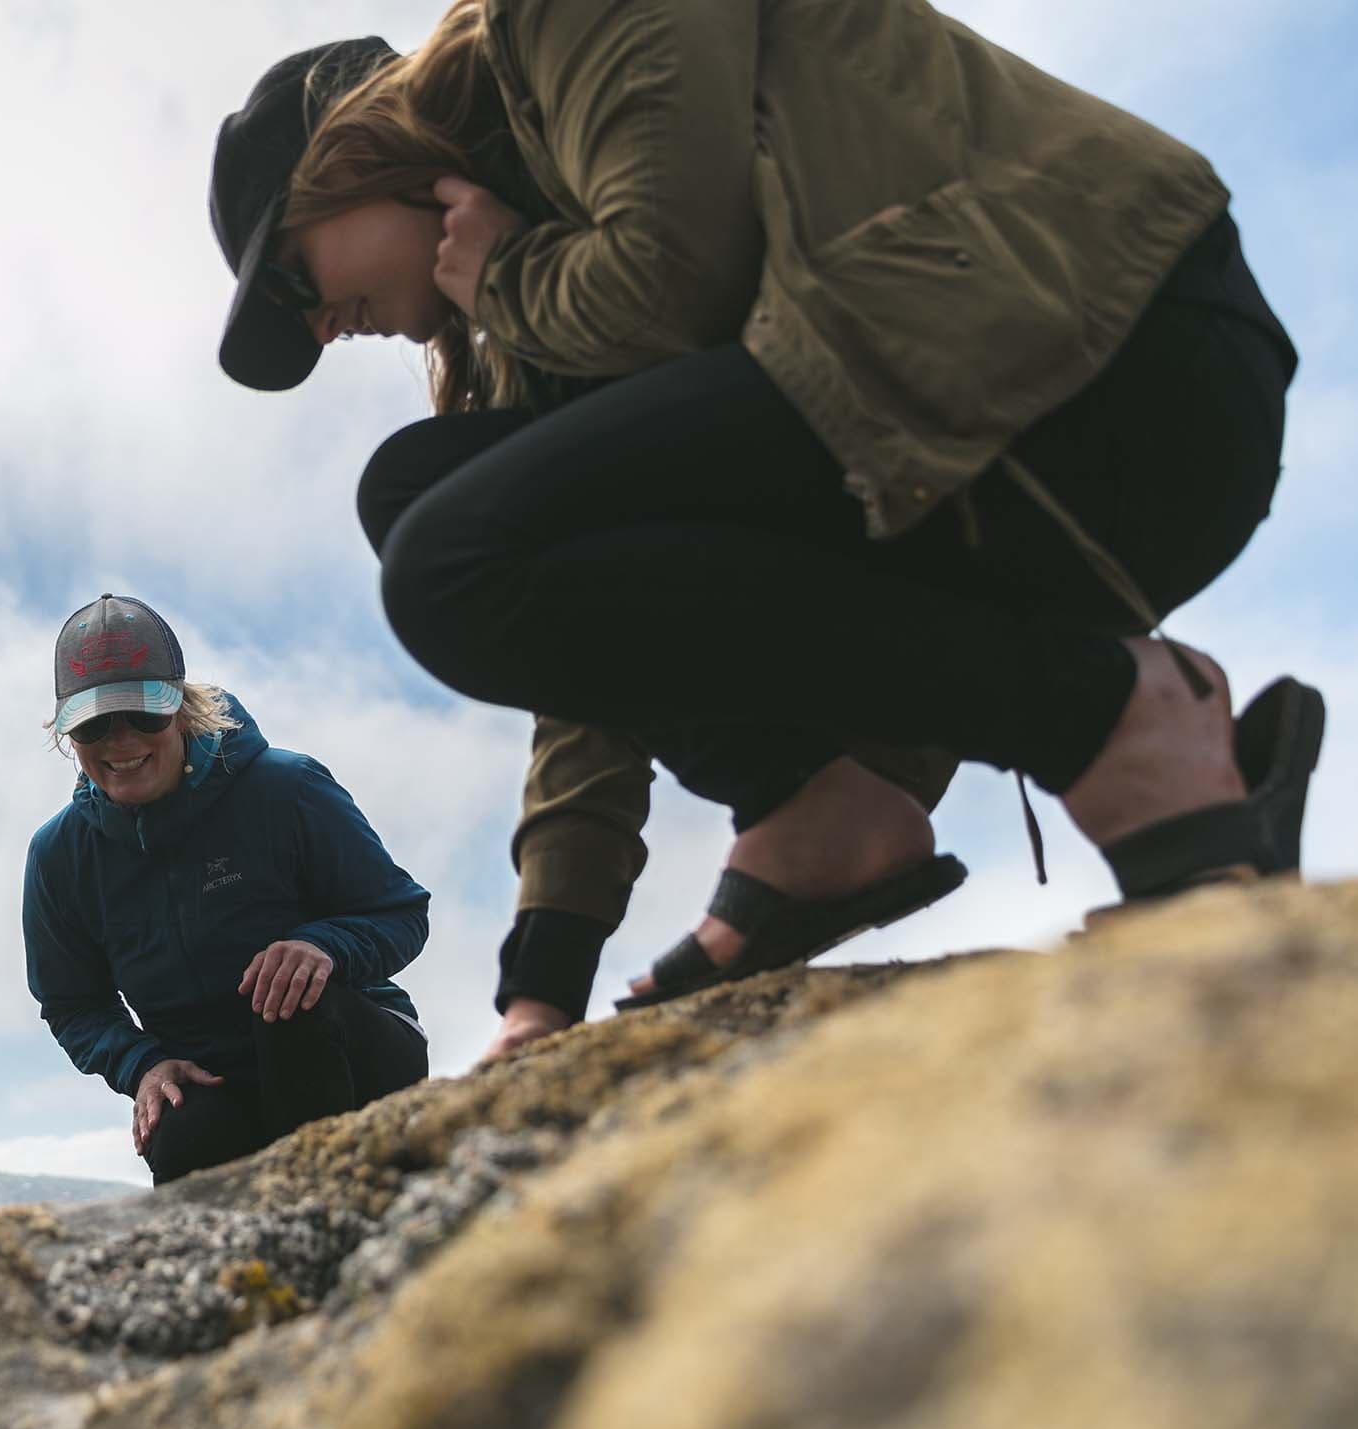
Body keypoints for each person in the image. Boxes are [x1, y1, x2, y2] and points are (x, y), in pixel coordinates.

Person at [208, 10, 1320, 1062]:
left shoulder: (547, 28)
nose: (318, 326)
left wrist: (504, 274)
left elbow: (673, 269)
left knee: (448, 537)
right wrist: (544, 981)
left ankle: (1103, 720)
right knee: (428, 501)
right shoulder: (536, 307)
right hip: (976, 475)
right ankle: (817, 812)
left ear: (350, 153)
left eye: (296, 278)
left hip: (1124, 365)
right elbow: (589, 633)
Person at [23, 594, 431, 1185]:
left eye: (145, 714)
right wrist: (143, 1066)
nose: (120, 741)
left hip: (349, 1048)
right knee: (180, 1126)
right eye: (94, 724)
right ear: (67, 734)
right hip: (214, 1080)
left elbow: (401, 913)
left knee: (290, 1003)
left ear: (184, 709)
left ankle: (336, 1211)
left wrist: (324, 947)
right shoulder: (60, 856)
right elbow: (72, 1002)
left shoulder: (287, 788)